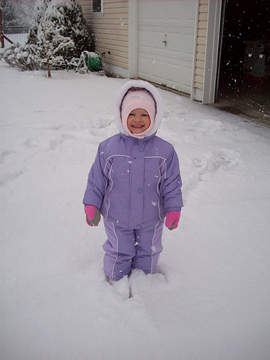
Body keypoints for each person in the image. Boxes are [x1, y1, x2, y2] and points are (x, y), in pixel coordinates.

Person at [83, 80, 183, 283]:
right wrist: (91, 204)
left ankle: (144, 281)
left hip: (151, 216)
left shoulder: (165, 151)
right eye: (132, 114)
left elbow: (172, 183)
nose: (138, 120)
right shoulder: (108, 148)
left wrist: (174, 208)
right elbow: (96, 180)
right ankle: (115, 280)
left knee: (149, 250)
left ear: (154, 117)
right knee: (120, 249)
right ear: (122, 116)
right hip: (116, 214)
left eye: (144, 114)